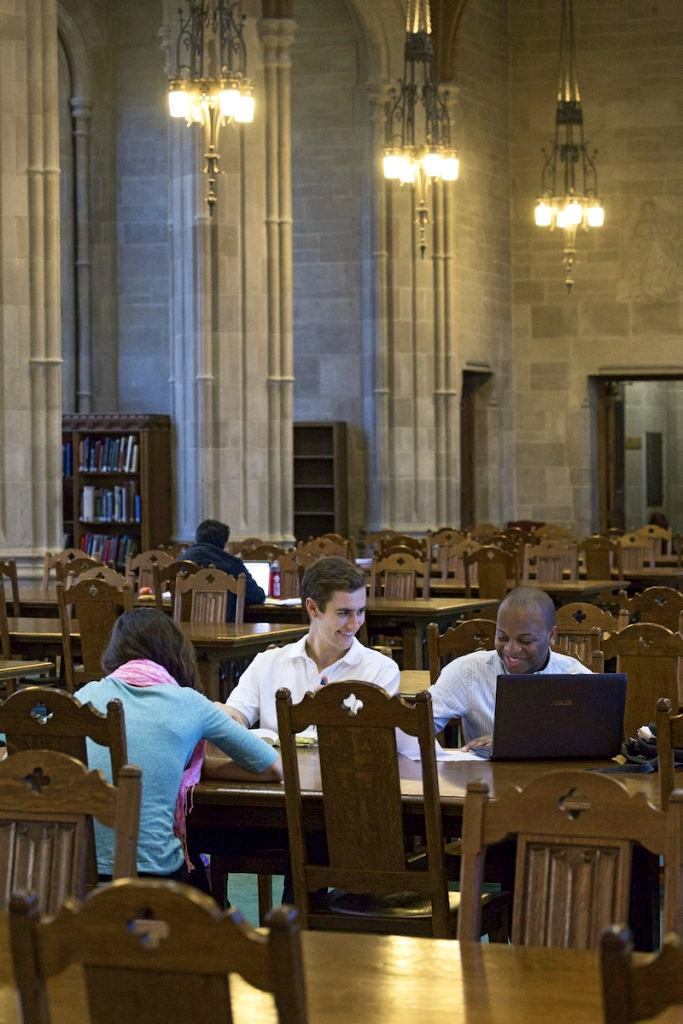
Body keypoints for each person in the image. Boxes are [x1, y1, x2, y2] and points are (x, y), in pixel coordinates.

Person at [76, 608, 281, 879]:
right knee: (199, 879)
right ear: (176, 652)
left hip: (78, 870)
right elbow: (272, 766)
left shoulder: (83, 696)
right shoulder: (190, 703)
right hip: (152, 871)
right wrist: (197, 765)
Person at [223, 555, 399, 732]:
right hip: (276, 760)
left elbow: (379, 747)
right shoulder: (268, 663)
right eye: (344, 613)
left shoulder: (380, 670)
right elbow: (236, 715)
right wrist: (222, 717)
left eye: (360, 612)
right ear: (313, 608)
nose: (355, 624)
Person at [429, 586, 590, 750]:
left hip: (556, 775)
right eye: (502, 637)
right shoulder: (468, 671)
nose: (511, 649)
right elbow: (416, 727)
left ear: (551, 635)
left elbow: (593, 744)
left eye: (525, 641)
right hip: (483, 775)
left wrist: (511, 743)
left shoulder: (578, 679)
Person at [181, 519, 266, 618]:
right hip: (224, 629)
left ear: (197, 537)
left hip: (181, 628)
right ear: (224, 543)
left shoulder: (181, 561)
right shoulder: (231, 564)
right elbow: (256, 596)